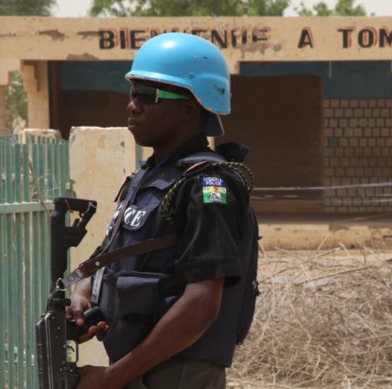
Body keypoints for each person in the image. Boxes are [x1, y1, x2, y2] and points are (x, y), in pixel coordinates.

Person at [66, 32, 258, 389]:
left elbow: (201, 304)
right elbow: (111, 259)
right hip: (141, 369)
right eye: (132, 94)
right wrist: (82, 295)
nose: (132, 105)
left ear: (189, 108)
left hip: (178, 374)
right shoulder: (151, 176)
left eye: (147, 96)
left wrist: (112, 377)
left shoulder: (207, 185)